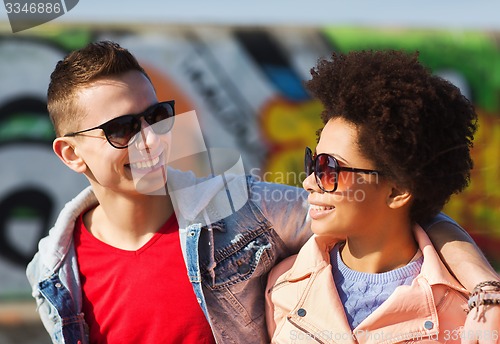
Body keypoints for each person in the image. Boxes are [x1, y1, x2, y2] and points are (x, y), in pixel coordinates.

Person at [25, 41, 498, 344]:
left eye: (157, 116)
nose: (152, 139)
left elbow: (399, 214)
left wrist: (484, 286)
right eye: (123, 129)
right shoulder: (53, 271)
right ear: (71, 154)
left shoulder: (244, 208)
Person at [265, 50, 500, 343]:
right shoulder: (284, 286)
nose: (309, 181)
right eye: (313, 163)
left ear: (398, 190)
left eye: (329, 168)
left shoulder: (470, 315)